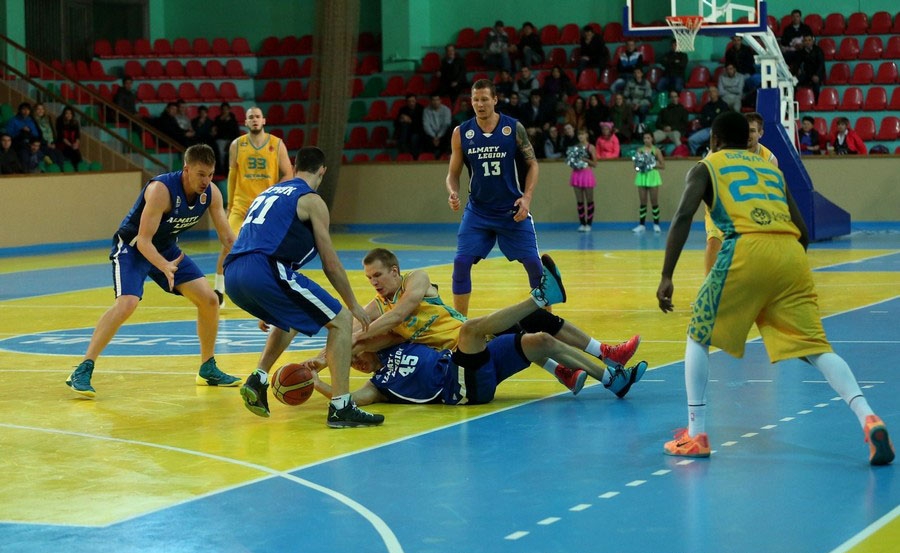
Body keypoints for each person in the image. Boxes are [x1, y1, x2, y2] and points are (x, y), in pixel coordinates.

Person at [655, 111, 894, 466]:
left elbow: (682, 217)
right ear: (747, 139)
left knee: (698, 335)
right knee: (816, 348)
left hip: (744, 250)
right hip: (790, 255)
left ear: (714, 141)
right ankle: (868, 417)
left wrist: (666, 275)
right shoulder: (771, 170)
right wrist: (784, 274)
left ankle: (696, 434)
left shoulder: (706, 166)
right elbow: (803, 231)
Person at [308, 257, 646, 406]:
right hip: (460, 370)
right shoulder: (380, 380)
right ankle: (543, 302)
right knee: (480, 328)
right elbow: (347, 335)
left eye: (377, 276)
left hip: (473, 351)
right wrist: (319, 368)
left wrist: (354, 341)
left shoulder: (413, 285)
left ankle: (611, 377)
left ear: (394, 271)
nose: (373, 283)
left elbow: (390, 317)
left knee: (540, 335)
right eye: (368, 279)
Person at [65, 144, 241, 397]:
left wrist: (253, 261)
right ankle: (82, 368)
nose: (206, 181)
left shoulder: (211, 193)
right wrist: (163, 266)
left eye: (211, 174)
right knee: (127, 303)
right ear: (186, 170)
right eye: (201, 174)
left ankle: (207, 368)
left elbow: (228, 238)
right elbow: (144, 241)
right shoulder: (161, 190)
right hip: (133, 246)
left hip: (166, 249)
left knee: (210, 300)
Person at [225, 147, 384, 427]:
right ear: (322, 170)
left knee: (292, 317)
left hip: (234, 273)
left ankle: (258, 377)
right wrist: (353, 304)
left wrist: (268, 302)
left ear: (295, 166)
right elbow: (330, 264)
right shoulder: (311, 200)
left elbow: (259, 238)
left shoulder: (268, 193)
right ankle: (341, 406)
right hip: (264, 269)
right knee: (341, 321)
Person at [445, 79, 542, 316]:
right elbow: (452, 174)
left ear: (495, 100)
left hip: (512, 210)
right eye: (475, 100)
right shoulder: (461, 133)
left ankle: (547, 320)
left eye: (485, 99)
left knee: (534, 264)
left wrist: (527, 197)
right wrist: (453, 192)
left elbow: (533, 164)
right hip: (478, 211)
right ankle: (460, 323)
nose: (480, 104)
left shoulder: (513, 128)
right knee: (461, 263)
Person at [213, 106, 292, 304]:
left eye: (257, 116)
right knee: (228, 245)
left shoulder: (277, 144)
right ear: (246, 122)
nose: (255, 119)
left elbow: (288, 174)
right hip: (241, 206)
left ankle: (271, 288)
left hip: (265, 207)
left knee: (269, 251)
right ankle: (218, 291)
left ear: (263, 120)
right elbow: (232, 176)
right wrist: (229, 205)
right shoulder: (237, 145)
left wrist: (274, 193)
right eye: (251, 117)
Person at [703, 111, 779, 273]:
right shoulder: (723, 149)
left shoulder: (769, 159)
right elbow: (703, 173)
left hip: (749, 206)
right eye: (745, 130)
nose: (748, 134)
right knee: (714, 241)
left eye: (752, 131)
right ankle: (709, 283)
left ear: (761, 133)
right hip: (721, 204)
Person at [631, 131, 665, 234]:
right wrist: (641, 165)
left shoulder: (656, 151)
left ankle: (656, 224)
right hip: (642, 176)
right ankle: (642, 225)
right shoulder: (640, 150)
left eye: (648, 138)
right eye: (644, 138)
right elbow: (635, 166)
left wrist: (651, 164)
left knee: (654, 201)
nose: (646, 140)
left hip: (653, 176)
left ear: (652, 139)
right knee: (643, 202)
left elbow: (662, 165)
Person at [567, 129, 597, 232]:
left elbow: (595, 164)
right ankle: (582, 223)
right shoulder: (575, 147)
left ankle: (589, 224)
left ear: (586, 135)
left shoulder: (591, 147)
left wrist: (585, 159)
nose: (580, 136)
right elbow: (571, 161)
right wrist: (573, 162)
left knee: (589, 200)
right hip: (576, 174)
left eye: (582, 134)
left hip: (587, 174)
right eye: (579, 134)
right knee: (579, 201)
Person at [687, 85, 730, 155]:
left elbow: (725, 120)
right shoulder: (706, 106)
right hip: (708, 129)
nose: (711, 93)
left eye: (713, 91)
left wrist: (710, 119)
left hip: (720, 130)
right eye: (710, 92)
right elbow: (703, 121)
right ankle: (698, 156)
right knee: (691, 140)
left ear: (717, 93)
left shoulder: (723, 105)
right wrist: (710, 120)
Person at [795, 34, 825, 102]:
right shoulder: (801, 52)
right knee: (794, 82)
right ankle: (795, 101)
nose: (807, 42)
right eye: (805, 40)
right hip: (807, 74)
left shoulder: (818, 50)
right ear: (803, 42)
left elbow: (821, 65)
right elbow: (797, 63)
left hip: (817, 74)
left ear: (812, 41)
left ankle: (816, 102)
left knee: (816, 85)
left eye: (809, 40)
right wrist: (797, 70)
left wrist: (817, 75)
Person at [214, 102, 242, 173]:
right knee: (221, 153)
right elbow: (216, 131)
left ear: (229, 110)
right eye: (223, 109)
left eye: (226, 109)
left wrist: (232, 142)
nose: (225, 111)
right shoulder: (217, 119)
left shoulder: (233, 120)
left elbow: (236, 133)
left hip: (231, 140)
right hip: (220, 140)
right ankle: (222, 169)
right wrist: (222, 121)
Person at [394, 94, 424, 158]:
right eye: (409, 101)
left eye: (413, 101)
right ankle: (405, 156)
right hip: (405, 131)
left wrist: (410, 121)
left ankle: (414, 157)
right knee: (403, 127)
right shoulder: (403, 109)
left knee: (413, 138)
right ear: (407, 102)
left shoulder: (421, 109)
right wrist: (401, 119)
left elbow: (421, 124)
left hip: (417, 131)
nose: (411, 103)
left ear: (416, 101)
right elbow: (396, 123)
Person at [423, 94, 452, 158]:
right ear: (430, 101)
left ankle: (447, 153)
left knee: (450, 130)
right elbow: (426, 125)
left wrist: (438, 136)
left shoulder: (446, 110)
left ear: (440, 100)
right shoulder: (426, 110)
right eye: (433, 100)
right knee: (422, 133)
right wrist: (434, 136)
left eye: (437, 100)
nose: (435, 102)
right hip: (431, 135)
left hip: (443, 134)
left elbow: (446, 124)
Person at [55, 106, 83, 170]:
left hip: (72, 145)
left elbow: (77, 135)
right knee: (74, 152)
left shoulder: (75, 122)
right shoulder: (60, 122)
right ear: (64, 114)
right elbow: (61, 137)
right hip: (63, 145)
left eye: (70, 113)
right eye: (67, 113)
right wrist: (71, 145)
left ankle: (79, 169)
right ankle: (76, 169)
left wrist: (76, 144)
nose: (68, 115)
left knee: (76, 152)